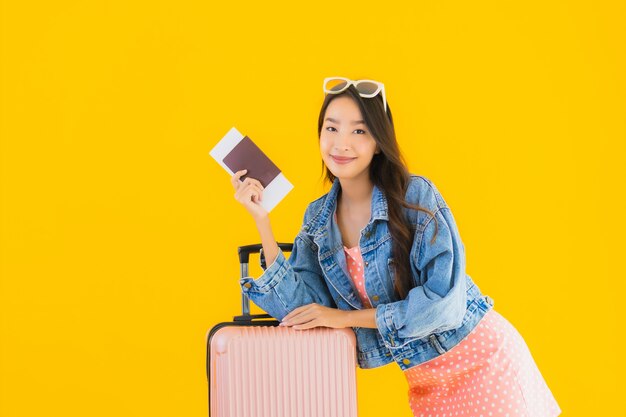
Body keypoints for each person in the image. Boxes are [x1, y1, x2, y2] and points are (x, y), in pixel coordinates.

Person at [230, 76, 561, 417]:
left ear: (378, 141)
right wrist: (262, 221)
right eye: (331, 129)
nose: (341, 144)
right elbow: (301, 312)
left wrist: (345, 317)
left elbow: (442, 305)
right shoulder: (318, 220)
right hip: (427, 384)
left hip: (484, 362)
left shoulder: (415, 197)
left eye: (359, 131)